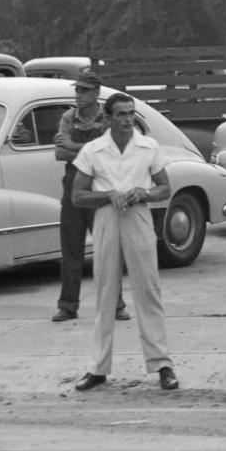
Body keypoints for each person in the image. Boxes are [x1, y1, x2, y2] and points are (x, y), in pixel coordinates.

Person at [71, 93, 178, 392]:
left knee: (148, 288)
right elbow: (77, 196)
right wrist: (108, 195)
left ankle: (162, 365)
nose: (128, 119)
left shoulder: (148, 146)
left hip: (138, 218)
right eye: (121, 114)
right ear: (108, 118)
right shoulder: (93, 150)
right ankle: (98, 368)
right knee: (105, 289)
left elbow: (164, 188)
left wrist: (142, 193)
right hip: (106, 218)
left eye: (131, 114)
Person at [52, 68, 129, 323]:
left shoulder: (108, 120)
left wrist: (75, 148)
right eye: (77, 89)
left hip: (101, 188)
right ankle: (68, 305)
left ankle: (116, 303)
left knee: (107, 248)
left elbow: (109, 152)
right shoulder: (68, 117)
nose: (78, 94)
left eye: (84, 90)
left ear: (96, 93)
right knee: (70, 247)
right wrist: (90, 150)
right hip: (73, 189)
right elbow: (60, 152)